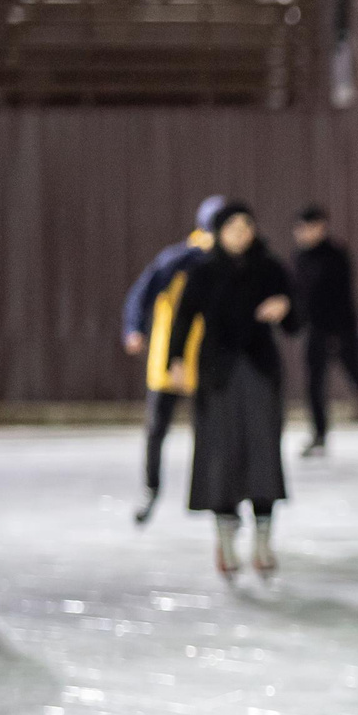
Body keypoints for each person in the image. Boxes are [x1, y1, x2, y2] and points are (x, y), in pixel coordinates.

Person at [164, 201, 297, 575]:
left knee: (263, 453)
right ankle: (225, 543)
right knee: (220, 455)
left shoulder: (270, 268)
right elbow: (184, 316)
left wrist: (285, 306)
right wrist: (174, 361)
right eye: (233, 228)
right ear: (219, 233)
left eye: (246, 226)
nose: (241, 234)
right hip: (218, 374)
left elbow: (295, 319)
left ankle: (263, 542)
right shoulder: (203, 272)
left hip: (259, 370)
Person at [121, 196, 220, 523]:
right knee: (158, 428)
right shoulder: (180, 259)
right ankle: (152, 488)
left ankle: (211, 491)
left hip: (206, 357)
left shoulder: (219, 262)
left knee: (205, 429)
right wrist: (133, 328)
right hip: (172, 356)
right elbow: (141, 293)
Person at [292, 204, 358, 456]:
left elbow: (341, 297)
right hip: (313, 331)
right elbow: (300, 295)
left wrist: (339, 332)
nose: (303, 233)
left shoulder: (335, 255)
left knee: (357, 378)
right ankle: (319, 433)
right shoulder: (300, 257)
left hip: (338, 330)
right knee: (314, 384)